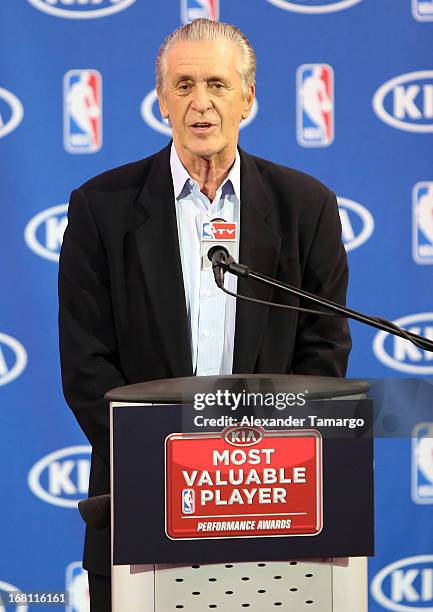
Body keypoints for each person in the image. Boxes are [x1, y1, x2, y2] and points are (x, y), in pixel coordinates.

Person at [58, 18, 351, 611]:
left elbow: (323, 352)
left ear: (248, 98)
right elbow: (86, 363)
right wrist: (173, 459)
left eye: (217, 84)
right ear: (161, 99)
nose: (201, 103)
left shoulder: (305, 207)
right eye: (184, 85)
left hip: (270, 501)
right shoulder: (102, 208)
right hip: (141, 504)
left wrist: (246, 462)